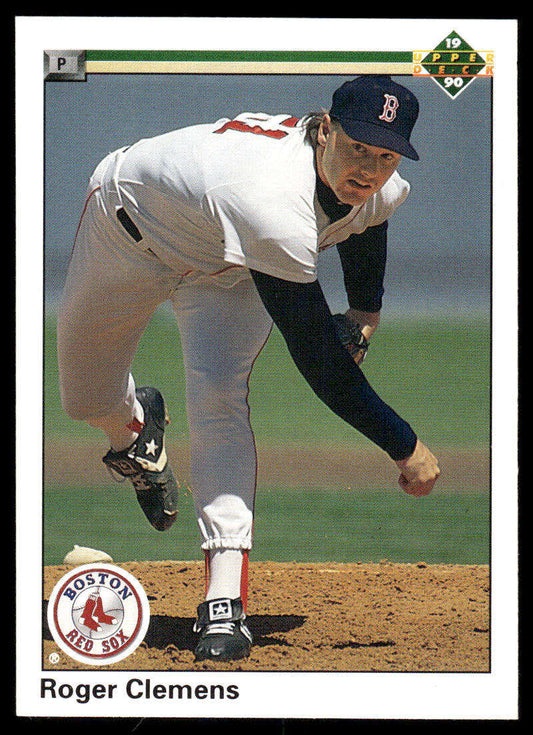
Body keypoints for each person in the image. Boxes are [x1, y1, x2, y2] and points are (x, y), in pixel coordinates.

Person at [57, 75, 440, 663]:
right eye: (356, 147)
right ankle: (133, 432)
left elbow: (370, 217)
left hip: (229, 268)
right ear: (325, 131)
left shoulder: (380, 187)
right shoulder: (271, 200)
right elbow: (317, 359)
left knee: (219, 396)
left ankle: (223, 600)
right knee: (85, 399)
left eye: (385, 155)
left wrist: (365, 311)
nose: (368, 168)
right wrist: (404, 444)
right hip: (130, 233)